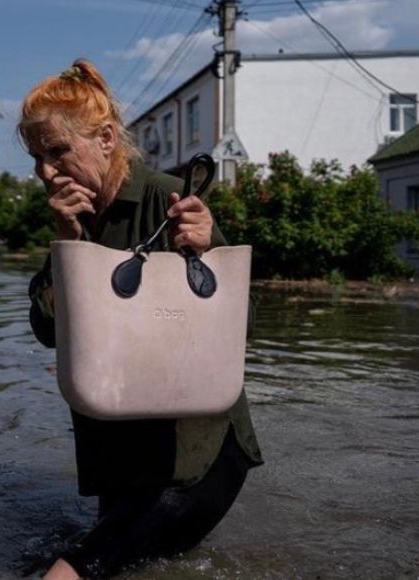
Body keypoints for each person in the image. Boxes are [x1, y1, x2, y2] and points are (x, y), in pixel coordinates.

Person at [19, 59, 263, 579]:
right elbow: (47, 332)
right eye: (37, 157)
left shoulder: (169, 199)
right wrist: (67, 245)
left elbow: (242, 327)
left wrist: (204, 250)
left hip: (194, 456)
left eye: (57, 151)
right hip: (120, 457)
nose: (44, 171)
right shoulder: (77, 219)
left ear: (106, 139)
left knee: (70, 571)